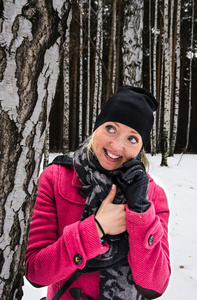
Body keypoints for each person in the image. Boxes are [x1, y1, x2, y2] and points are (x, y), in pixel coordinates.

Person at [25, 86, 171, 300]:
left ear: (141, 148)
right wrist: (96, 228)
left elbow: (154, 287)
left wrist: (140, 212)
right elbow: (36, 273)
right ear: (96, 128)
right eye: (111, 128)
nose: (117, 145)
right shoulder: (55, 178)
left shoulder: (153, 196)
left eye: (132, 138)